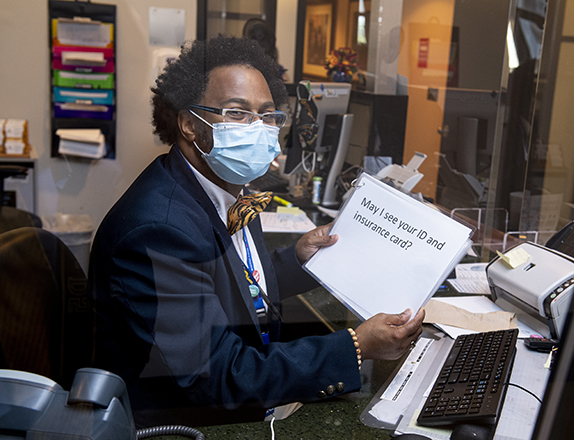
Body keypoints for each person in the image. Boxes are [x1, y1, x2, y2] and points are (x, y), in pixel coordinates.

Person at [89, 34, 425, 428]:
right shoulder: (157, 229)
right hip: (178, 421)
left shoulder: (219, 185)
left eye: (268, 116)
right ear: (189, 125)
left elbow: (222, 278)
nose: (259, 129)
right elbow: (219, 375)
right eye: (236, 113)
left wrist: (297, 259)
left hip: (221, 400)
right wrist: (356, 346)